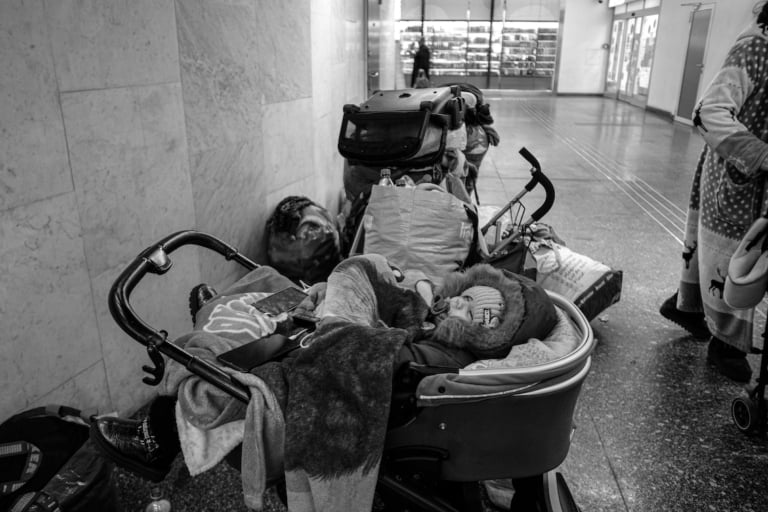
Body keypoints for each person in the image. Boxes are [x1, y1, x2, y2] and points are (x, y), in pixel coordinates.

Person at [90, 257, 557, 482]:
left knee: (239, 351)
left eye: (476, 314)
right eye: (466, 295)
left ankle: (157, 438)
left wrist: (371, 305)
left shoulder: (445, 355)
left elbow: (382, 353)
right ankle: (222, 308)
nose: (459, 304)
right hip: (335, 336)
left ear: (488, 336)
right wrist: (410, 296)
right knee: (282, 285)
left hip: (326, 365)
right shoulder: (443, 326)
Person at [660, 1, 768, 383]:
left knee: (716, 252)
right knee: (733, 257)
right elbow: (708, 112)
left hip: (745, 176)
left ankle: (687, 308)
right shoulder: (756, 48)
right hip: (737, 173)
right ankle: (726, 342)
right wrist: (760, 154)